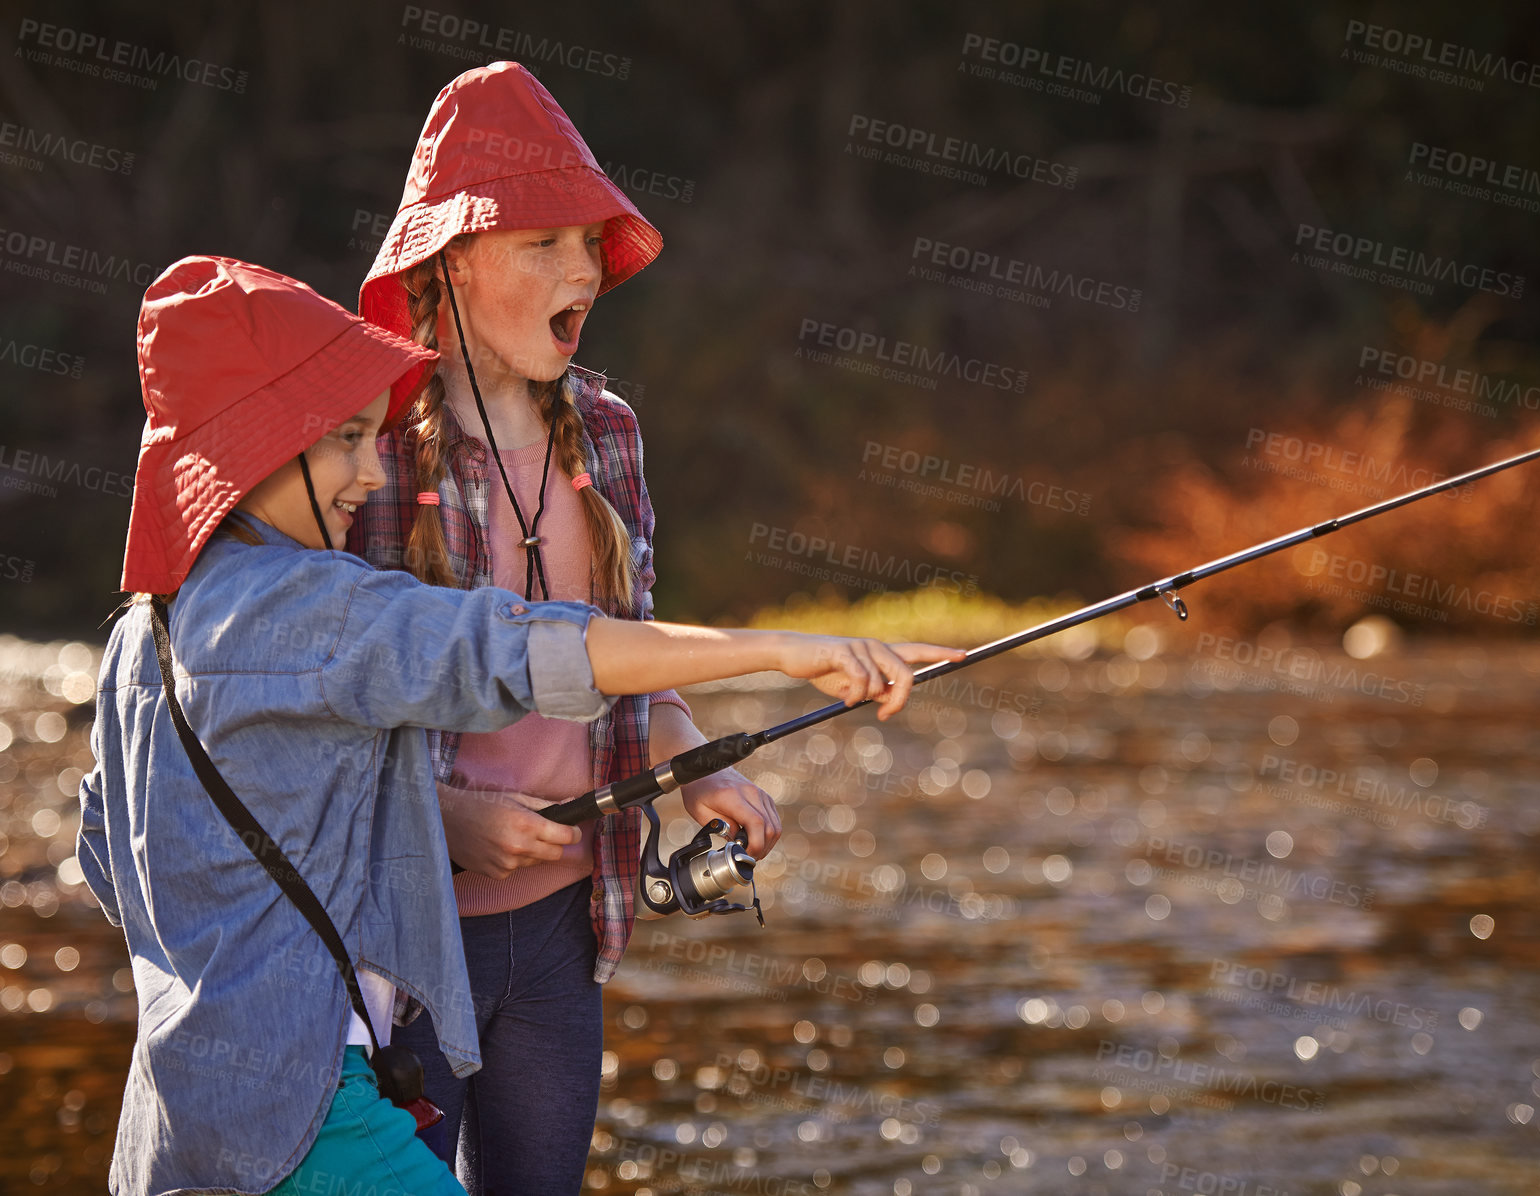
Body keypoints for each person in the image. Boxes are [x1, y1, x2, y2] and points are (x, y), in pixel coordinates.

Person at [77, 255, 961, 1196]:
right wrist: (780, 648)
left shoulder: (147, 626)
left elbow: (110, 850)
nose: (369, 471)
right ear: (256, 442)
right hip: (306, 1117)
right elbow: (521, 647)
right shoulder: (312, 605)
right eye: (341, 438)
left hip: (177, 1115)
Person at [347, 60, 789, 1191]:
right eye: (543, 243)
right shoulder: (365, 440)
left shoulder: (612, 428)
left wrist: (700, 769)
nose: (582, 268)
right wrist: (443, 814)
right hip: (397, 935)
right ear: (450, 259)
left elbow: (633, 655)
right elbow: (308, 700)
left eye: (589, 243)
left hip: (560, 931)